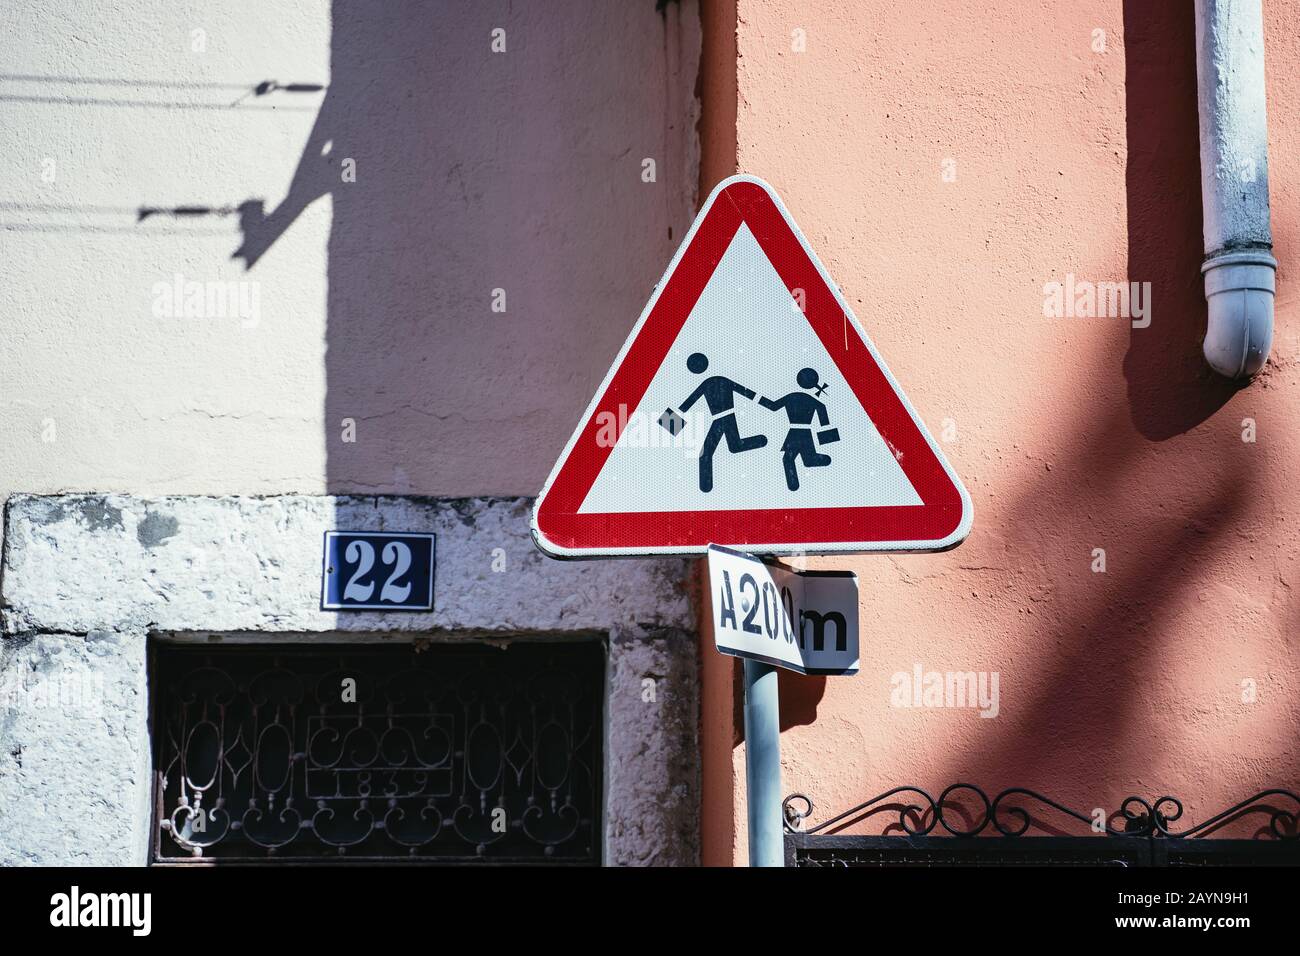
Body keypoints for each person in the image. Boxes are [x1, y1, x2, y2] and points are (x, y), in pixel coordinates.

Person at [678, 353, 768, 492]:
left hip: (723, 419)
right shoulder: (718, 380)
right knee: (733, 446)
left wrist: (669, 425)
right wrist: (769, 404)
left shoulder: (710, 382)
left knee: (706, 453)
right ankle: (760, 440)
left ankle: (705, 488)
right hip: (722, 419)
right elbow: (747, 393)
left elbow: (688, 403)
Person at [760, 368, 832, 491]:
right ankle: (822, 460)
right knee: (807, 459)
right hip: (806, 433)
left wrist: (756, 398)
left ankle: (793, 486)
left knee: (788, 459)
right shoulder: (811, 399)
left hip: (795, 434)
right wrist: (826, 432)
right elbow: (822, 408)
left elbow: (773, 406)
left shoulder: (791, 397)